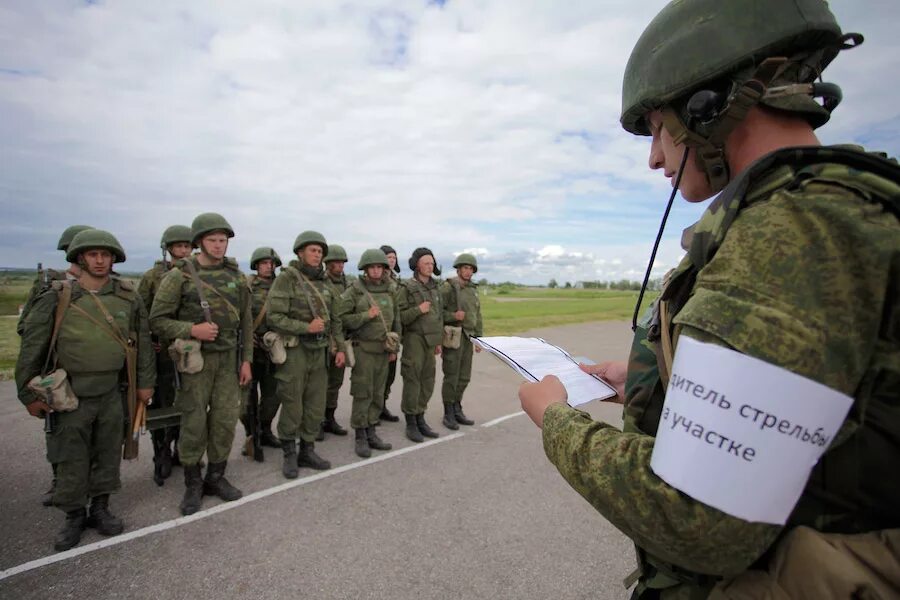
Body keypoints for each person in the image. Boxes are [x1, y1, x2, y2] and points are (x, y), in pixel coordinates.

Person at [518, 1, 900, 598]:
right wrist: (649, 378)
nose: (653, 157)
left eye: (656, 128)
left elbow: (698, 520)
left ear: (707, 108)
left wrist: (555, 420)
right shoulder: (836, 207)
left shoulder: (792, 228)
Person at [15, 229, 154, 551]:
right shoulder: (58, 295)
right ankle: (74, 515)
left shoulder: (126, 296)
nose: (100, 260)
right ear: (80, 258)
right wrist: (27, 393)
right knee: (70, 457)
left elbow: (142, 342)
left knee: (107, 451)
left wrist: (145, 383)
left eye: (105, 255)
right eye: (93, 255)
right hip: (70, 395)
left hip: (112, 391)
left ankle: (101, 508)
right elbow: (33, 346)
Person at [149, 213, 253, 516]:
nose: (219, 246)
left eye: (223, 240)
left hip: (228, 360)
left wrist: (246, 359)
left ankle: (216, 477)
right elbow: (157, 320)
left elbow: (245, 320)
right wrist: (191, 330)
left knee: (224, 420)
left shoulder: (236, 276)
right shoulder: (180, 276)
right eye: (212, 240)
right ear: (199, 242)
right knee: (193, 422)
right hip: (195, 361)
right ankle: (193, 482)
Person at [19, 224, 93, 507]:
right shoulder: (52, 284)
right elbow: (30, 332)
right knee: (61, 436)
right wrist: (28, 387)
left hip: (96, 377)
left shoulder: (105, 285)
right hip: (59, 376)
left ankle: (93, 492)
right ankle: (61, 483)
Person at [266, 231, 346, 478]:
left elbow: (335, 319)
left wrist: (340, 347)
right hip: (295, 351)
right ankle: (290, 453)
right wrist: (305, 327)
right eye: (312, 250)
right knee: (293, 403)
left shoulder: (325, 283)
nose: (317, 255)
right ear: (300, 252)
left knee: (315, 403)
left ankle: (307, 450)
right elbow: (274, 317)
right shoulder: (287, 279)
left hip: (319, 351)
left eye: (320, 251)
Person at [138, 224, 192, 485]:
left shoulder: (198, 275)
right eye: (178, 246)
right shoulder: (152, 277)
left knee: (188, 402)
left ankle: (183, 450)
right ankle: (162, 454)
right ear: (168, 249)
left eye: (187, 246)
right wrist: (150, 341)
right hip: (163, 353)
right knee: (162, 404)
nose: (183, 251)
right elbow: (143, 314)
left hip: (190, 351)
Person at [341, 249, 400, 458]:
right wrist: (366, 315)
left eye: (379, 267)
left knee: (377, 393)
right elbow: (342, 318)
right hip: (363, 349)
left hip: (383, 351)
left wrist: (395, 347)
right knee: (362, 392)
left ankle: (372, 430)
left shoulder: (391, 290)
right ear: (365, 270)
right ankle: (360, 434)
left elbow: (397, 321)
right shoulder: (355, 291)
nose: (376, 271)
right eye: (372, 267)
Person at [240, 247, 284, 459]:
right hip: (250, 349)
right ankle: (251, 433)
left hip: (273, 349)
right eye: (264, 263)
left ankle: (265, 429)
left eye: (272, 263)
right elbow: (238, 315)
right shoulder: (246, 286)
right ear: (256, 265)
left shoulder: (282, 287)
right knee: (245, 401)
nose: (269, 266)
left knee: (273, 396)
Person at [397, 247, 443, 442]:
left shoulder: (435, 287)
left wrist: (438, 340)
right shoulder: (406, 288)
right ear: (417, 264)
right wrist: (418, 310)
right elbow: (399, 317)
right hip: (414, 340)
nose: (430, 266)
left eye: (432, 263)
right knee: (413, 380)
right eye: (426, 262)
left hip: (430, 342)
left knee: (428, 380)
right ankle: (411, 422)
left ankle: (421, 417)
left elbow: (438, 316)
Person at [440, 253, 483, 430]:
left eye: (470, 268)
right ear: (458, 269)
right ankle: (448, 412)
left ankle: (457, 408)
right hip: (454, 337)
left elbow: (477, 315)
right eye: (465, 268)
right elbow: (436, 313)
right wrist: (452, 316)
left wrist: (479, 338)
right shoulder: (448, 288)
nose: (468, 271)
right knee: (452, 376)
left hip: (468, 337)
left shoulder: (473, 290)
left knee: (464, 377)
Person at [318, 243, 351, 440]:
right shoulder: (321, 282)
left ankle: (330, 418)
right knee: (320, 383)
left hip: (341, 338)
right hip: (324, 338)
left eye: (342, 262)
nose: (339, 265)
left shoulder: (348, 283)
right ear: (327, 263)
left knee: (336, 382)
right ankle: (317, 421)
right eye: (335, 262)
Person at [378, 244, 402, 423]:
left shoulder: (397, 281)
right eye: (388, 257)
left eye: (394, 257)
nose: (391, 260)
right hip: (378, 334)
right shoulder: (376, 280)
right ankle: (373, 409)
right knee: (376, 376)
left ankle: (382, 406)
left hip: (394, 333)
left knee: (390, 375)